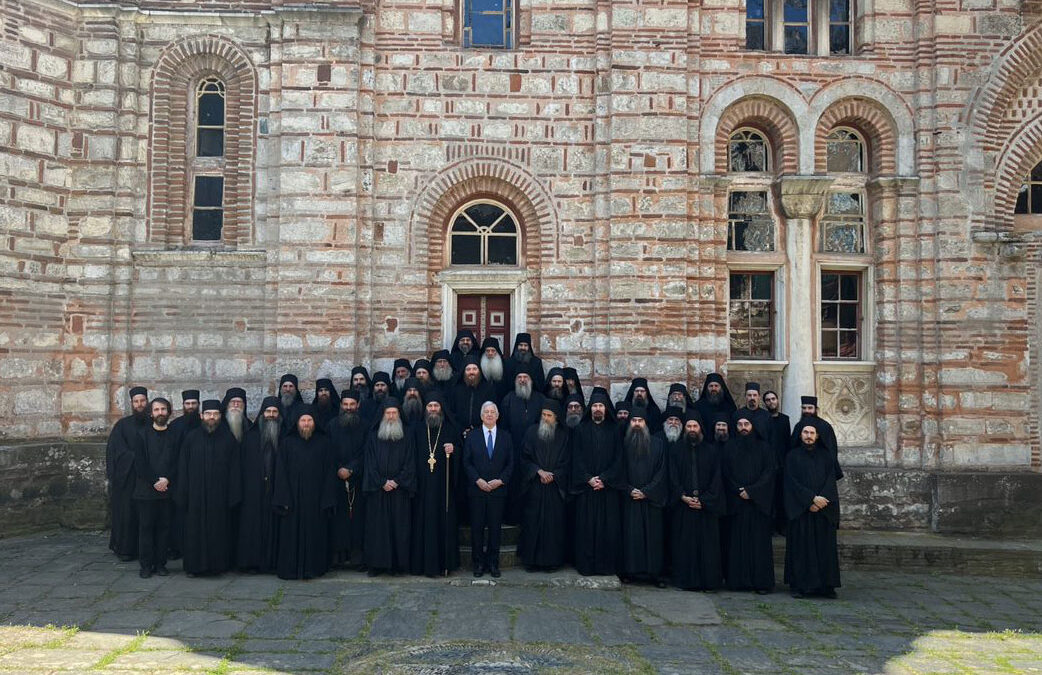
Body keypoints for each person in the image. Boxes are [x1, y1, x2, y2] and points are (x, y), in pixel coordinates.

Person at [272, 406, 338, 580]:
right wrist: (284, 498)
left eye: (309, 420)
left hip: (316, 500)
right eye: (303, 420)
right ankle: (291, 569)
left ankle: (314, 568)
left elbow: (330, 473)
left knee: (315, 534)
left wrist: (327, 499)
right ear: (297, 423)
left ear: (315, 422)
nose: (306, 424)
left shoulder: (324, 443)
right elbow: (281, 472)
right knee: (291, 535)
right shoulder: (287, 443)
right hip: (292, 500)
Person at [177, 400, 241, 576]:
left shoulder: (229, 439)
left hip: (219, 497)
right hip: (195, 497)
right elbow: (183, 467)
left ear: (220, 416)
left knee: (218, 532)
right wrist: (183, 494)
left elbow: (235, 470)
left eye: (215, 414)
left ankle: (217, 566)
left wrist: (233, 495)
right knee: (194, 532)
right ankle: (194, 567)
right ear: (201, 416)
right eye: (208, 414)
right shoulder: (191, 438)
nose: (211, 417)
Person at [784, 421, 843, 599]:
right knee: (802, 549)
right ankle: (801, 586)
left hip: (823, 510)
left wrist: (820, 501)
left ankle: (826, 586)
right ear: (800, 435)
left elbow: (831, 480)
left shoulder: (826, 457)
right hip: (802, 510)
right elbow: (791, 483)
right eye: (805, 432)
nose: (808, 436)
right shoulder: (792, 456)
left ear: (817, 436)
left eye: (812, 433)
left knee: (824, 549)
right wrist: (810, 499)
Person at [669, 410, 724, 591]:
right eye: (689, 426)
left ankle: (708, 582)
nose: (692, 429)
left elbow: (717, 479)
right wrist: (682, 496)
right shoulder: (676, 450)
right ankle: (685, 581)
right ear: (684, 428)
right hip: (683, 507)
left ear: (700, 428)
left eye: (695, 426)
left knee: (708, 548)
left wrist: (704, 500)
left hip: (705, 508)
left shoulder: (711, 450)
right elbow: (672, 477)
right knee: (684, 546)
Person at [721, 411, 776, 594]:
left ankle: (761, 583)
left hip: (758, 504)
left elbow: (769, 473)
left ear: (753, 426)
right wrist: (739, 491)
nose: (743, 428)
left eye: (747, 424)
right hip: (737, 504)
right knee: (736, 544)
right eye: (740, 425)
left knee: (759, 545)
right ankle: (738, 581)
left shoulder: (765, 448)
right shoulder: (729, 447)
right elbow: (725, 474)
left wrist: (752, 492)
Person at [409, 391, 462, 577]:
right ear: (425, 408)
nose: (433, 409)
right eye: (430, 406)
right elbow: (410, 456)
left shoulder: (450, 429)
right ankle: (421, 565)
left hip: (443, 488)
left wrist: (454, 450)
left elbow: (461, 455)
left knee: (443, 524)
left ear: (441, 409)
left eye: (436, 406)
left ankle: (444, 563)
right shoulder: (416, 429)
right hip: (422, 487)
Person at [570, 388, 622, 576]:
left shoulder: (614, 429)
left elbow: (619, 459)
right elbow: (576, 458)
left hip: (607, 490)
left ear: (606, 408)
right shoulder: (580, 429)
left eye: (601, 405)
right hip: (587, 489)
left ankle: (605, 566)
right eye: (594, 406)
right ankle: (586, 565)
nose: (597, 409)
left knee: (607, 530)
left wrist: (604, 479)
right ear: (590, 409)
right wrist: (588, 479)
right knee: (586, 529)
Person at [362, 399, 416, 575]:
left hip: (399, 491)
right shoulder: (373, 435)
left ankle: (398, 566)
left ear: (399, 414)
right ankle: (377, 565)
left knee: (399, 529)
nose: (391, 416)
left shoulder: (407, 434)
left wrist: (397, 481)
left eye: (394, 413)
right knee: (378, 530)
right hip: (378, 491)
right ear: (383, 415)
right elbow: (369, 463)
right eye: (388, 413)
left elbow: (410, 462)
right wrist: (381, 482)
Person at [518, 400, 571, 572]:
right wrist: (538, 471)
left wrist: (554, 475)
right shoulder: (532, 432)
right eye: (543, 415)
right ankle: (530, 561)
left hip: (556, 488)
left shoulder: (565, 435)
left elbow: (568, 461)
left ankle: (552, 561)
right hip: (535, 485)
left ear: (556, 418)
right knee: (532, 523)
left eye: (549, 416)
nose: (545, 418)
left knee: (553, 525)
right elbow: (524, 458)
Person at [618, 408, 669, 587]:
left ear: (646, 423)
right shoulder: (622, 445)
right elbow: (618, 471)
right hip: (629, 499)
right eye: (634, 421)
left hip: (651, 500)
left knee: (652, 538)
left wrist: (647, 491)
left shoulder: (658, 444)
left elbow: (662, 472)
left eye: (640, 421)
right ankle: (630, 573)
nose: (637, 424)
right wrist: (629, 489)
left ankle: (654, 574)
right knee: (631, 537)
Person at [463, 401, 513, 578]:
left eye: (493, 412)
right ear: (481, 416)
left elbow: (510, 463)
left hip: (498, 491)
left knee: (495, 529)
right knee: (476, 529)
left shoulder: (506, 437)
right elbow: (466, 462)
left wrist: (500, 480)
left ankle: (493, 563)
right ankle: (478, 564)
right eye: (486, 412)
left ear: (498, 416)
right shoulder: (472, 436)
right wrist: (477, 480)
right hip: (477, 490)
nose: (490, 415)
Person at [133, 397, 178, 578]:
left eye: (164, 409)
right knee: (146, 529)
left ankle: (160, 564)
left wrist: (167, 479)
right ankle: (146, 565)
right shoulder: (142, 435)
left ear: (169, 412)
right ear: (151, 413)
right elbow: (141, 463)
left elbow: (177, 461)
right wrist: (155, 481)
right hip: (146, 491)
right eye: (157, 409)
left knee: (164, 529)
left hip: (167, 491)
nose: (161, 413)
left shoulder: (174, 435)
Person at [237, 397, 281, 573]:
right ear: (262, 414)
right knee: (252, 527)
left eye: (274, 412)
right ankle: (252, 563)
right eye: (268, 412)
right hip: (253, 491)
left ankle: (272, 563)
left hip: (276, 490)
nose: (271, 415)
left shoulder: (284, 437)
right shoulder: (250, 437)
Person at [106, 385, 150, 561]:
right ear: (132, 403)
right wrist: (137, 458)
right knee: (127, 514)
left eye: (142, 401)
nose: (139, 404)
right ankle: (126, 549)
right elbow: (115, 452)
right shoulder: (122, 426)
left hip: (148, 479)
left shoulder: (155, 423)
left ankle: (147, 549)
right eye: (136, 401)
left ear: (147, 402)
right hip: (128, 479)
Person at [499, 365, 546, 525]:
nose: (522, 380)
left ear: (531, 380)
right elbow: (503, 428)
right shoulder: (508, 399)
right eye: (519, 377)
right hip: (513, 450)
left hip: (535, 454)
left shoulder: (541, 399)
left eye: (525, 377)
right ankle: (513, 518)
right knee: (514, 485)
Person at [327, 390, 367, 569]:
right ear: (341, 405)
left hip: (358, 480)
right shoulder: (331, 425)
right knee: (339, 520)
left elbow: (367, 452)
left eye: (352, 404)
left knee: (358, 520)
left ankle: (357, 556)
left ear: (358, 405)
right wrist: (339, 469)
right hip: (336, 480)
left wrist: (351, 468)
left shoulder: (365, 426)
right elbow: (327, 451)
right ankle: (338, 556)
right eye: (345, 404)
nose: (349, 408)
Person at [790, 396, 842, 480]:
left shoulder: (825, 426)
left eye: (810, 408)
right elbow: (792, 447)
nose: (807, 411)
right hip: (801, 470)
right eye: (804, 408)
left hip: (821, 470)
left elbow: (831, 450)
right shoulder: (798, 426)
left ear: (816, 409)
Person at [763, 390, 792, 534]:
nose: (771, 402)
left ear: (778, 400)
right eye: (768, 400)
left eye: (773, 399)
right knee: (768, 497)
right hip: (767, 465)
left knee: (781, 496)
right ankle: (769, 527)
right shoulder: (762, 419)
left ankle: (782, 526)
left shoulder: (785, 419)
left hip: (782, 464)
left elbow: (787, 442)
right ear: (765, 403)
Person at [449, 354, 497, 433]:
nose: (471, 372)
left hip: (482, 432)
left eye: (474, 369)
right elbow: (452, 412)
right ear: (464, 372)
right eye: (468, 369)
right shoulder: (456, 389)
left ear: (479, 371)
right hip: (459, 432)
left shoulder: (488, 389)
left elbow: (492, 412)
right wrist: (461, 429)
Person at [479, 337, 511, 402]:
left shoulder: (505, 366)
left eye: (493, 351)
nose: (490, 353)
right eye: (487, 351)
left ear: (497, 352)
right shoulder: (478, 366)